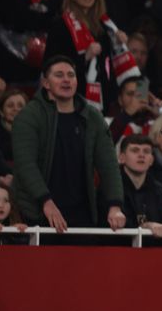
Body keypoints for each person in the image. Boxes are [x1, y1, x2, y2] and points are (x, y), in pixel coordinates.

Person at [11, 55, 125, 236]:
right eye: (59, 75)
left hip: (83, 215)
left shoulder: (93, 117)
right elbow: (26, 165)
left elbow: (109, 165)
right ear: (46, 83)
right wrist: (46, 201)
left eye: (71, 75)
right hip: (37, 213)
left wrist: (115, 205)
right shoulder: (29, 116)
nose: (66, 80)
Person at [44, 0, 136, 114]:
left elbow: (113, 68)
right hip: (72, 100)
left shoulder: (106, 26)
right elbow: (50, 66)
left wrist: (119, 44)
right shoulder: (61, 26)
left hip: (103, 100)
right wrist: (84, 57)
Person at [108, 76, 160, 144]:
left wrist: (161, 115)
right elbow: (105, 143)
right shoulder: (107, 122)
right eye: (130, 94)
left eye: (140, 95)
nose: (135, 99)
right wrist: (128, 112)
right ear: (120, 100)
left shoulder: (153, 121)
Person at [0, 89, 28, 162]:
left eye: (20, 106)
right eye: (10, 106)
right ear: (1, 112)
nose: (15, 109)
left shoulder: (35, 134)